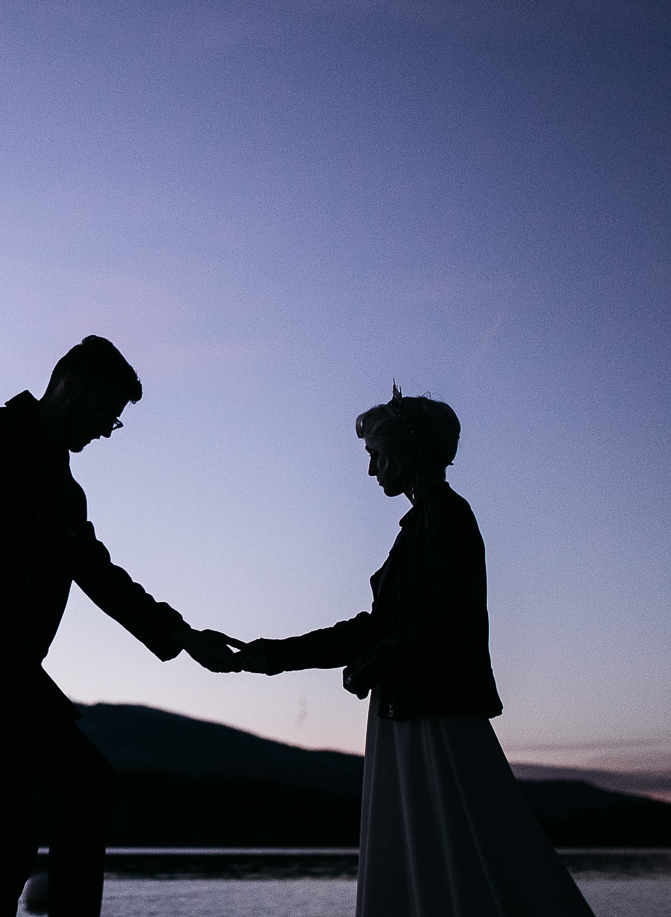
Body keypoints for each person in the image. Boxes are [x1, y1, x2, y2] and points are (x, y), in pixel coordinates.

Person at [0, 336, 237, 917]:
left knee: (10, 847)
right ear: (74, 386)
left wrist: (183, 637)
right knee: (89, 786)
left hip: (2, 674)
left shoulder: (65, 492)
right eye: (106, 416)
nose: (104, 433)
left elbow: (100, 576)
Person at [228, 386, 594, 916]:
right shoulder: (422, 525)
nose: (373, 470)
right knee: (439, 853)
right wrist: (268, 655)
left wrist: (373, 663)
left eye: (377, 455)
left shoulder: (447, 518)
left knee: (464, 849)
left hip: (435, 716)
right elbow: (379, 628)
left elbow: (445, 622)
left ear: (411, 448)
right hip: (413, 712)